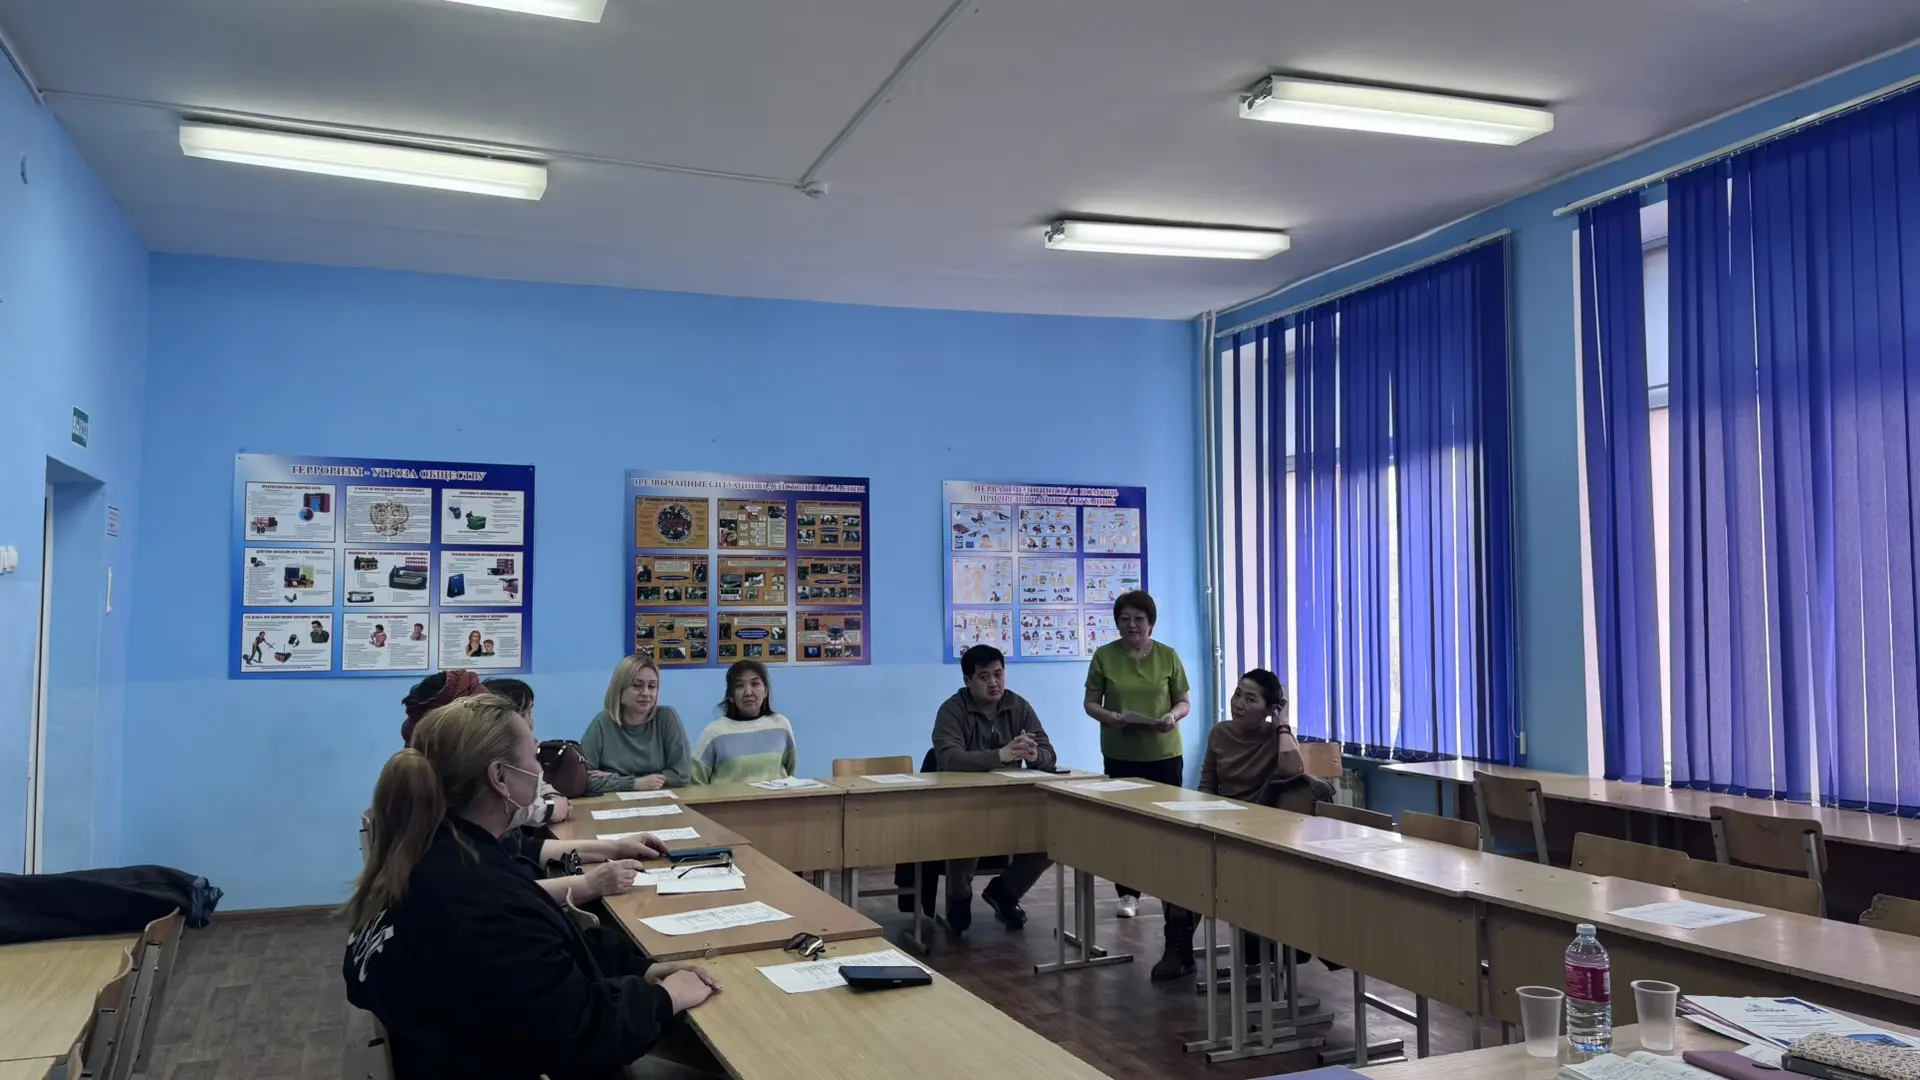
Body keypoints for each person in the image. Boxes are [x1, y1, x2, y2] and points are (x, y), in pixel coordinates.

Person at [343, 695, 720, 1079]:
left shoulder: (435, 856)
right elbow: (579, 1034)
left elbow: (549, 949)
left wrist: (640, 970)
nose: (541, 770)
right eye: (534, 756)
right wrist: (665, 998)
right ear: (500, 777)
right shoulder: (476, 897)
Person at [1150, 668, 1301, 981]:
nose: (1239, 704)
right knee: (1179, 861)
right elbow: (1208, 783)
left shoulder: (1278, 737)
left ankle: (1255, 942)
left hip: (1259, 832)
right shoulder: (1220, 732)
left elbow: (1292, 769)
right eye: (1237, 694)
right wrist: (1198, 818)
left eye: (1251, 699)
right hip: (1220, 822)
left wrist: (1283, 722)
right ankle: (1177, 948)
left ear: (1270, 708)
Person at [929, 644, 1055, 932]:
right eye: (984, 677)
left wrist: (1035, 754)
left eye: (998, 674)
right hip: (963, 805)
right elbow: (948, 758)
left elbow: (1049, 753)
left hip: (1011, 802)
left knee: (1052, 838)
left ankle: (1005, 892)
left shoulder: (1018, 706)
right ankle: (959, 899)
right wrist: (1000, 755)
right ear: (967, 680)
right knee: (966, 831)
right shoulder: (952, 710)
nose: (994, 683)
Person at [1083, 589, 1191, 918]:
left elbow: (1183, 702)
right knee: (1126, 828)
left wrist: (1172, 716)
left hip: (1164, 753)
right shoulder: (1104, 656)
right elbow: (1090, 703)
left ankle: (1172, 891)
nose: (1132, 625)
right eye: (1125, 619)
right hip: (1121, 753)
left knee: (1166, 826)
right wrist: (1110, 717)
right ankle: (1128, 893)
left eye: (1139, 619)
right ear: (1117, 624)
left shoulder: (1168, 656)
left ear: (1151, 623)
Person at [580, 656, 692, 793]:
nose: (646, 693)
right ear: (619, 690)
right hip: (613, 803)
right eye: (637, 685)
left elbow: (682, 775)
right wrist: (635, 783)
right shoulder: (601, 724)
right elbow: (582, 779)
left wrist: (618, 780)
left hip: (661, 802)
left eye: (652, 686)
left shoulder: (667, 718)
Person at [690, 660, 796, 785]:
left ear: (765, 691)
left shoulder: (781, 725)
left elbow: (790, 772)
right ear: (731, 696)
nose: (748, 692)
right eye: (740, 686)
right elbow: (696, 782)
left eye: (755, 684)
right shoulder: (714, 733)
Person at [484, 677, 570, 825]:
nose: (530, 723)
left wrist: (552, 796)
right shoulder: (486, 755)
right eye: (525, 714)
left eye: (530, 713)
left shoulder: (525, 745)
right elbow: (498, 811)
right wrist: (549, 809)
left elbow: (536, 782)